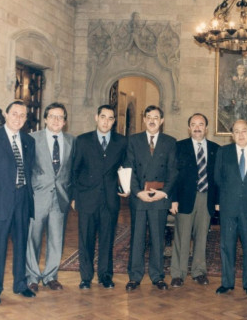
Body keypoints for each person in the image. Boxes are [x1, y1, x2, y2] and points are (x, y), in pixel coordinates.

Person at [72, 104, 127, 290]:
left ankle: (105, 276)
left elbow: (125, 169)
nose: (106, 121)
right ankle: (85, 277)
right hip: (87, 199)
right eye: (103, 117)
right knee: (85, 239)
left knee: (107, 239)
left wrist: (125, 187)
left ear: (114, 121)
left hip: (110, 200)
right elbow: (75, 170)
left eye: (110, 118)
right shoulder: (82, 140)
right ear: (96, 118)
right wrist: (74, 197)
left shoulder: (121, 142)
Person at [214, 119, 247, 297]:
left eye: (244, 130)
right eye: (236, 131)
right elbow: (218, 179)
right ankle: (227, 283)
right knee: (227, 246)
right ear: (232, 135)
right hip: (228, 207)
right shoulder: (223, 152)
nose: (240, 134)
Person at [125, 105, 177, 292]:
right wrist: (138, 192)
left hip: (160, 198)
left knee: (157, 239)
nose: (152, 120)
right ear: (144, 119)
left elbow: (173, 170)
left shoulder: (170, 142)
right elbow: (128, 168)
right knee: (137, 238)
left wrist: (165, 193)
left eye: (156, 117)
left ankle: (157, 276)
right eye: (149, 117)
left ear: (162, 121)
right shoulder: (133, 140)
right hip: (139, 197)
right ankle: (134, 277)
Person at [26, 103, 76, 293]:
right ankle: (32, 277)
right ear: (45, 118)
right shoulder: (32, 139)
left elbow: (72, 171)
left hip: (60, 198)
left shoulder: (72, 141)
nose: (56, 120)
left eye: (60, 117)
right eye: (52, 116)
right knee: (33, 239)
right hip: (37, 197)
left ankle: (50, 276)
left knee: (57, 239)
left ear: (65, 121)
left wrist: (71, 196)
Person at [169, 113, 219, 288]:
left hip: (207, 198)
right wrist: (173, 199)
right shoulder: (179, 147)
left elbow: (218, 178)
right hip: (184, 199)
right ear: (189, 128)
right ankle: (178, 274)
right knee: (182, 238)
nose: (197, 127)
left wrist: (218, 200)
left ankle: (199, 272)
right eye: (193, 124)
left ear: (206, 128)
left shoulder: (215, 148)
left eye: (201, 124)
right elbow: (172, 176)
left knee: (202, 237)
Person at [0, 101, 36, 305]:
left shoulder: (29, 141)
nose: (18, 118)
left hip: (22, 199)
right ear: (6, 114)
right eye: (15, 114)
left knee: (21, 245)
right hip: (0, 201)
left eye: (22, 115)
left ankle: (21, 284)